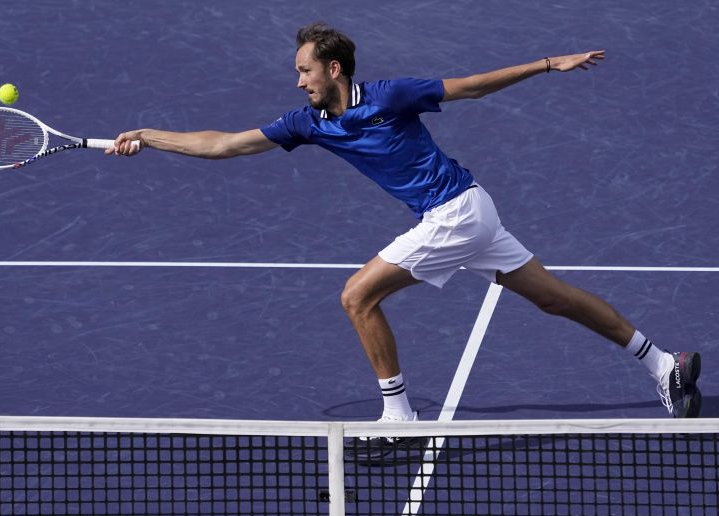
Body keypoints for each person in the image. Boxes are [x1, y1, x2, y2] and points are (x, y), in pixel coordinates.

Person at [108, 23, 701, 439]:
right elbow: (225, 144)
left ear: (333, 67)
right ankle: (662, 365)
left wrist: (548, 63)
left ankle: (399, 419)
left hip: (455, 213)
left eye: (304, 71)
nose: (298, 82)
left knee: (356, 296)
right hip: (471, 210)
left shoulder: (391, 96)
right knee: (553, 297)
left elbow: (471, 85)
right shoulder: (307, 123)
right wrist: (149, 135)